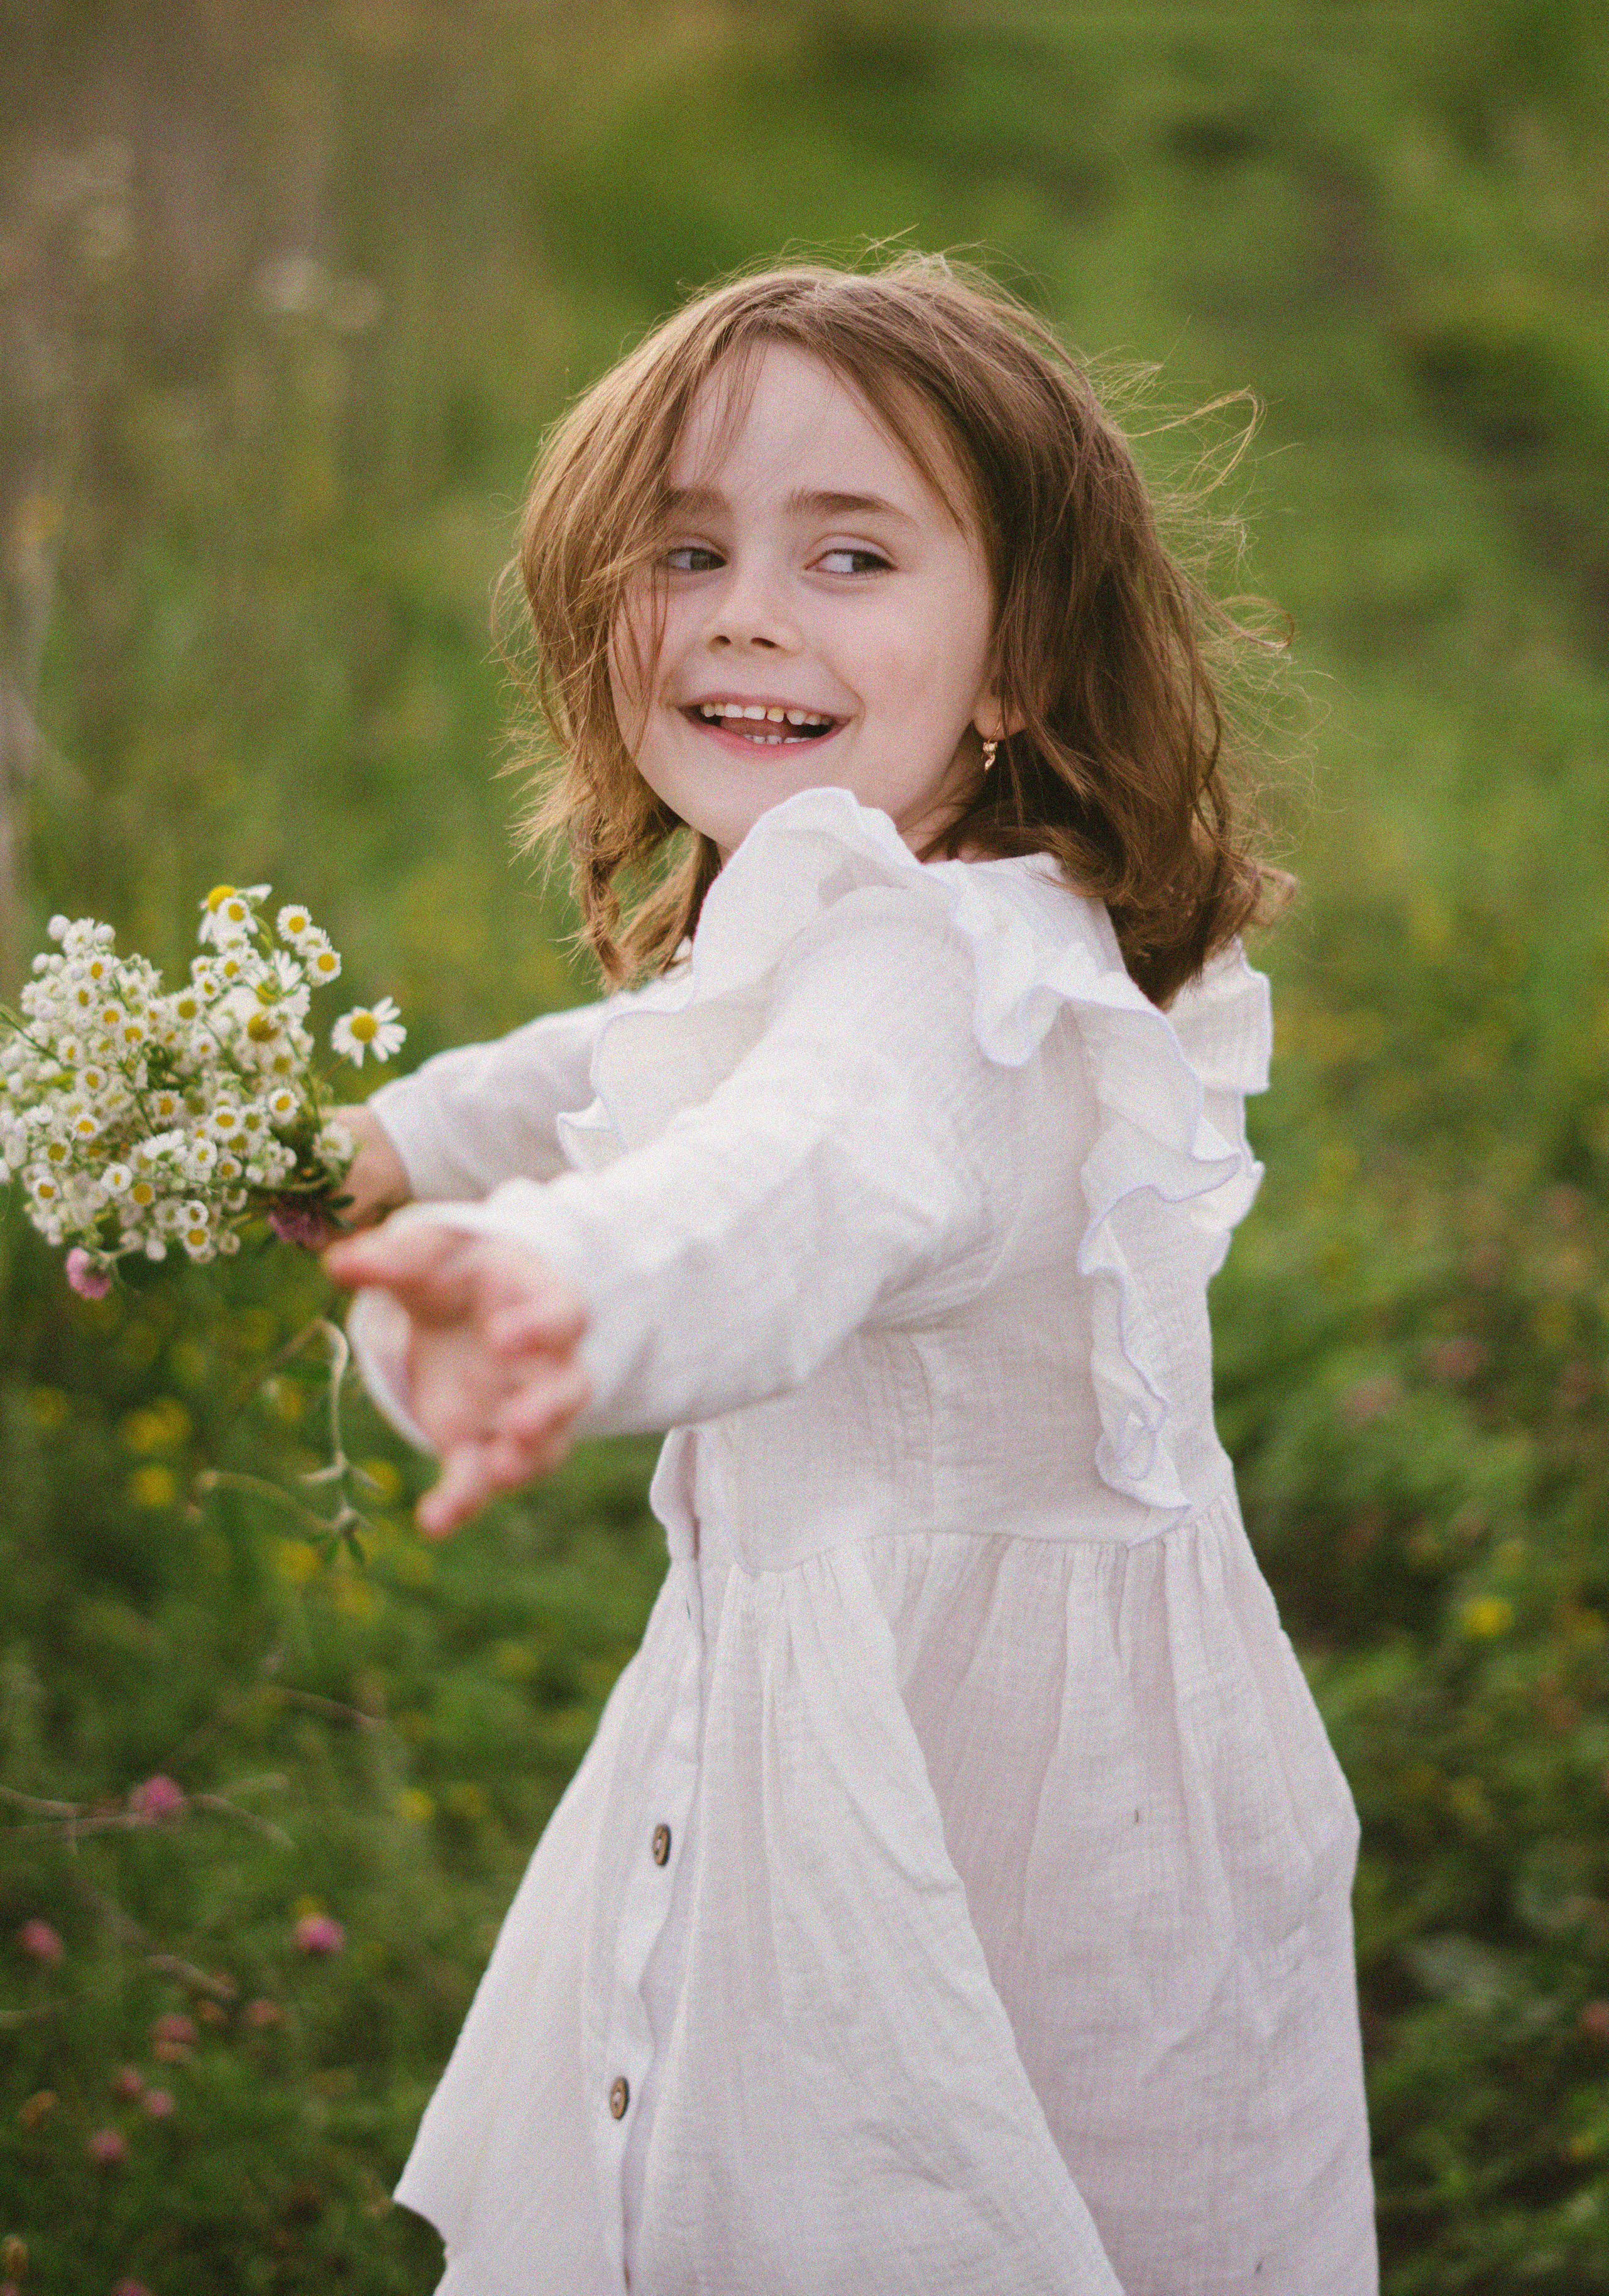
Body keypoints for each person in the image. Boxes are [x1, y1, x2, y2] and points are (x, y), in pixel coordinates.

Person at [324, 256, 1378, 2295]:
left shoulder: (930, 983)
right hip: (969, 1738)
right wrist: (395, 1146)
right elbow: (625, 1076)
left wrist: (560, 1285)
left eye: (852, 555)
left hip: (978, 1814)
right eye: (687, 548)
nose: (742, 609)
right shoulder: (898, 902)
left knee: (939, 2194)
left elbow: (781, 1189)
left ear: (1014, 667)